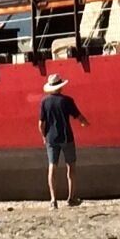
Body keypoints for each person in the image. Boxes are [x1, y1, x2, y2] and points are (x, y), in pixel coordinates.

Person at [38, 74, 87, 208]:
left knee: (52, 166)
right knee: (70, 167)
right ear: (61, 86)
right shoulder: (67, 101)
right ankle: (71, 198)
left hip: (51, 138)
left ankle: (53, 200)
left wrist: (44, 137)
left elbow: (41, 124)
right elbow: (79, 117)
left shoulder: (44, 102)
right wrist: (86, 123)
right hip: (66, 137)